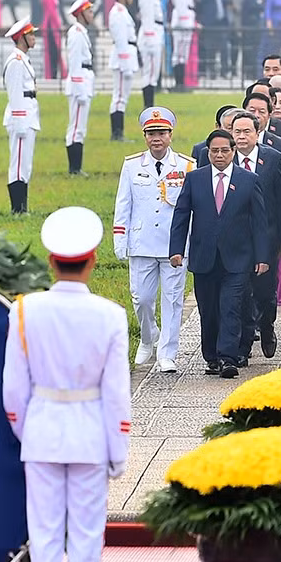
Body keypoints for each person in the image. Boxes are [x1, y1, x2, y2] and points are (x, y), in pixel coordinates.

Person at [2, 206, 132, 562]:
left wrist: (28, 431)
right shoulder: (110, 316)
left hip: (41, 433)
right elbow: (116, 394)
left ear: (51, 262)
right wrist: (118, 450)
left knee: (43, 542)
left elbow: (13, 392)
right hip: (90, 436)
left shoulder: (24, 311)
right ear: (92, 260)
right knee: (86, 543)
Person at [169, 128, 265, 377]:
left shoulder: (249, 180)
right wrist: (176, 250)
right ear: (207, 152)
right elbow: (181, 215)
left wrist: (262, 257)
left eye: (224, 150)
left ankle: (228, 358)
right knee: (209, 310)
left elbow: (259, 221)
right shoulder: (195, 179)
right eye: (214, 151)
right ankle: (211, 356)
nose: (219, 155)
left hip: (238, 258)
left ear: (233, 151)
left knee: (231, 307)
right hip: (204, 257)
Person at [113, 106, 193, 372]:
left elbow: (192, 208)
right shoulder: (132, 165)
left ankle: (167, 353)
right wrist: (120, 239)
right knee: (142, 299)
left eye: (161, 133)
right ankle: (149, 337)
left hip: (174, 244)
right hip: (142, 242)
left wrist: (191, 242)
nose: (156, 138)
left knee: (172, 299)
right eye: (151, 133)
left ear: (170, 134)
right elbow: (123, 205)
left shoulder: (186, 165)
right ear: (145, 136)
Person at [228, 111, 281, 360]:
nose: (241, 136)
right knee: (240, 292)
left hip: (266, 238)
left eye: (246, 131)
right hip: (236, 240)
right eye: (237, 132)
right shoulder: (225, 158)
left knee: (264, 291)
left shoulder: (273, 158)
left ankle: (267, 326)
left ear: (257, 133)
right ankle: (243, 344)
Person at [4, 20, 41, 215]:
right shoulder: (16, 62)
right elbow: (15, 93)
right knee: (18, 164)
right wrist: (19, 121)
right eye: (30, 34)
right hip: (21, 117)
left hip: (28, 114)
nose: (34, 38)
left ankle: (22, 207)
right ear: (21, 38)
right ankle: (17, 208)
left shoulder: (23, 59)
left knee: (25, 163)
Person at [63, 0, 96, 174]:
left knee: (80, 127)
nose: (92, 14)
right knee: (76, 127)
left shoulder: (81, 32)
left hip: (84, 80)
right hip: (79, 83)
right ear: (81, 13)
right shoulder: (76, 33)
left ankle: (77, 167)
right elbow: (74, 62)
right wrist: (79, 88)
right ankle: (74, 168)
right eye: (89, 11)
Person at [105, 0, 139, 142]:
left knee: (122, 97)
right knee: (119, 96)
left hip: (127, 56)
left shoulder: (122, 12)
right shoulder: (118, 13)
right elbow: (120, 40)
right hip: (122, 59)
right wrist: (125, 63)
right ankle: (117, 132)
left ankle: (119, 132)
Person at [135, 0, 166, 111]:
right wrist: (150, 38)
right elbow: (147, 18)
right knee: (150, 73)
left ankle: (149, 104)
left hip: (155, 32)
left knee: (152, 73)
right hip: (151, 35)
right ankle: (148, 105)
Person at [167, 0, 196, 91]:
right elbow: (180, 3)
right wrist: (184, 21)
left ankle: (181, 83)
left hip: (185, 18)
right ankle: (178, 83)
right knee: (179, 53)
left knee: (183, 53)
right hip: (182, 19)